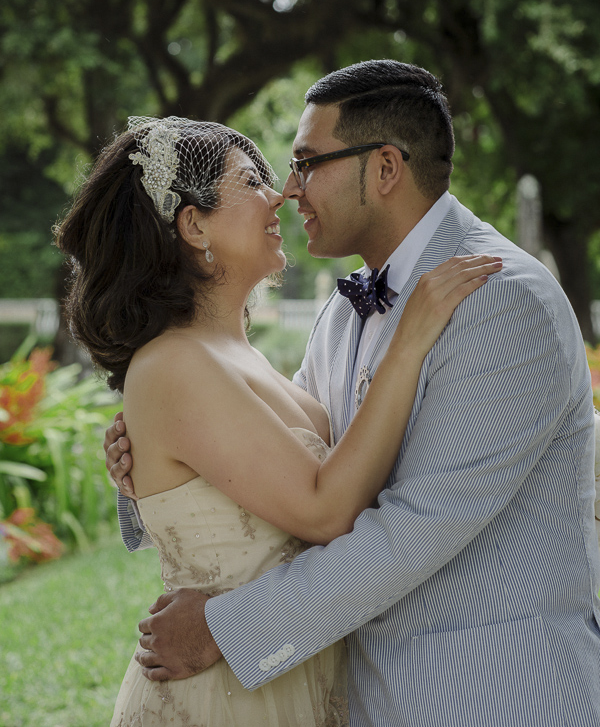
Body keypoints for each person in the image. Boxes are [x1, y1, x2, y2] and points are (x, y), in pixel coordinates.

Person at [106, 62, 600, 727]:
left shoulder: (501, 298)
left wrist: (223, 629)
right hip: (355, 698)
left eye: (308, 163)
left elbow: (410, 530)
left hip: (491, 695)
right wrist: (152, 460)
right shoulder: (343, 314)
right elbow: (298, 471)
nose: (290, 189)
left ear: (386, 168)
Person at [57, 113, 498, 727]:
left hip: (287, 667)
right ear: (194, 224)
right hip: (222, 693)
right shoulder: (175, 363)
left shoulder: (236, 353)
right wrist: (409, 343)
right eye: (250, 181)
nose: (281, 194)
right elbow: (324, 510)